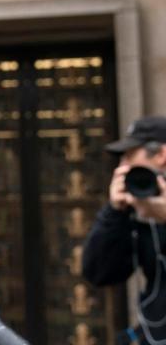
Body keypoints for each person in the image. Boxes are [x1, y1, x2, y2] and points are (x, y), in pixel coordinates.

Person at [83, 116, 166, 345]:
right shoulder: (135, 210)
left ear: (161, 155)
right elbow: (100, 274)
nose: (122, 167)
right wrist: (114, 212)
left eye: (129, 157)